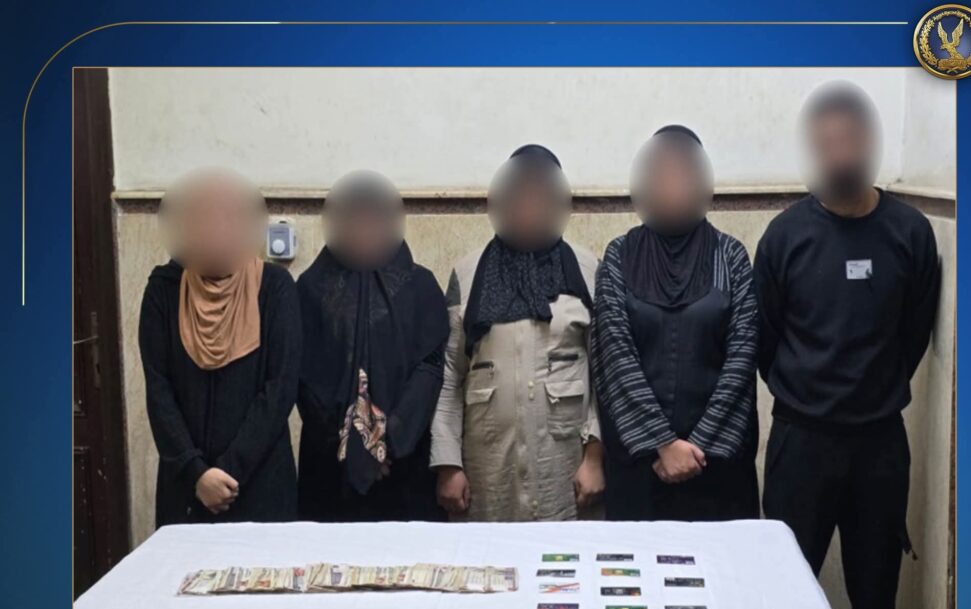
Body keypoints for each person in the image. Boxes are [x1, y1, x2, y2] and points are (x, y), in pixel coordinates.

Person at [754, 82, 941, 609]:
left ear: (869, 144)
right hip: (800, 443)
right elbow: (765, 339)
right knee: (783, 605)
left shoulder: (911, 232)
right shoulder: (785, 236)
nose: (840, 154)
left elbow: (913, 335)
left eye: (850, 140)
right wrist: (809, 394)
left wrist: (873, 392)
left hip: (878, 448)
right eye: (827, 143)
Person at [593, 125, 759, 521]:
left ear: (702, 182)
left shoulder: (730, 256)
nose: (672, 184)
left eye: (684, 173)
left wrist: (696, 447)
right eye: (662, 174)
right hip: (640, 466)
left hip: (716, 466)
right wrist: (663, 444)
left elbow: (743, 355)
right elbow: (615, 354)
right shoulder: (619, 255)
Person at [430, 144, 604, 522]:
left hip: (566, 474)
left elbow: (604, 375)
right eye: (521, 193)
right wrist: (448, 464)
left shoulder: (587, 269)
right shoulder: (468, 273)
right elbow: (449, 376)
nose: (530, 204)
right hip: (488, 474)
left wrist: (595, 458)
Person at [139, 168, 300, 527]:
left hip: (260, 484)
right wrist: (196, 473)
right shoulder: (164, 289)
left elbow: (280, 389)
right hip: (187, 487)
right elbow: (159, 390)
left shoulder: (275, 288)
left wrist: (228, 472)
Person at [296, 171, 448, 521]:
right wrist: (352, 446)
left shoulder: (420, 286)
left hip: (404, 463)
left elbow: (429, 368)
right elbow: (304, 376)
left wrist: (386, 440)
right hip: (331, 468)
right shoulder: (310, 289)